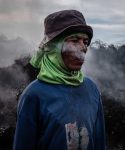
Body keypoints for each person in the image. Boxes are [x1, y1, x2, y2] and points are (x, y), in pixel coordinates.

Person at [13, 9, 106, 150]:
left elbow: (99, 142)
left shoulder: (91, 89)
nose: (83, 48)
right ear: (53, 48)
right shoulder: (33, 95)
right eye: (74, 41)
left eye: (85, 42)